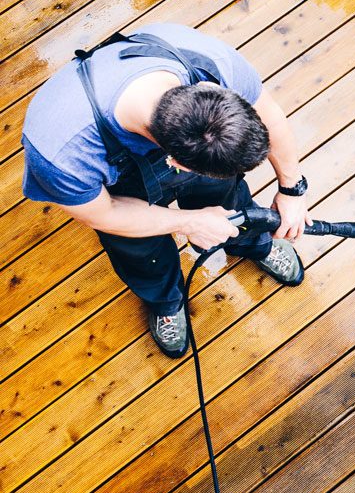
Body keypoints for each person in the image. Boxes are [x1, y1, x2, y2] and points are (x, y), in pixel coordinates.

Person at [21, 23, 310, 358]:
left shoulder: (210, 63)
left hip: (181, 155)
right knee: (141, 250)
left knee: (229, 199)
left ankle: (252, 243)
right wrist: (188, 223)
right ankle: (166, 300)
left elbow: (269, 116)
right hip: (117, 195)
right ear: (177, 163)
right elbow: (104, 214)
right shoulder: (61, 151)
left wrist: (292, 188)